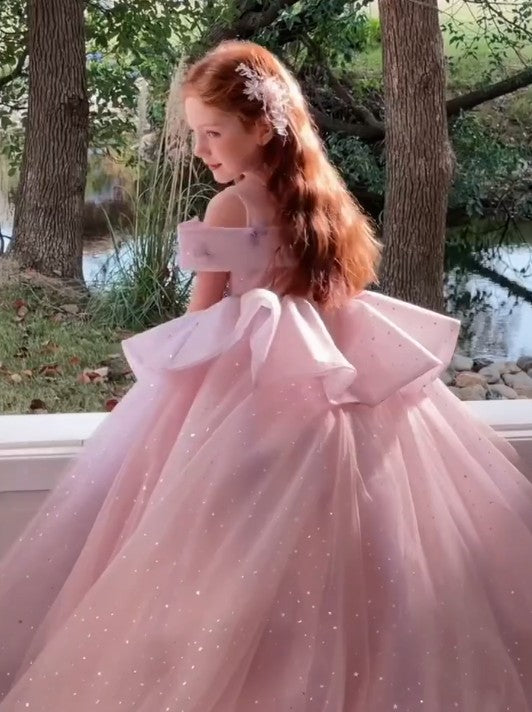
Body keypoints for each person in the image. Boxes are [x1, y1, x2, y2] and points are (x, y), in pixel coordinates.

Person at [1, 39, 531, 712]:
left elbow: (201, 319)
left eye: (213, 133)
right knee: (356, 558)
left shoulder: (232, 207)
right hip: (332, 386)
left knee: (225, 551)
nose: (201, 150)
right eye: (197, 134)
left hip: (254, 400)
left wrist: (153, 392)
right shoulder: (322, 198)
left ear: (260, 127)